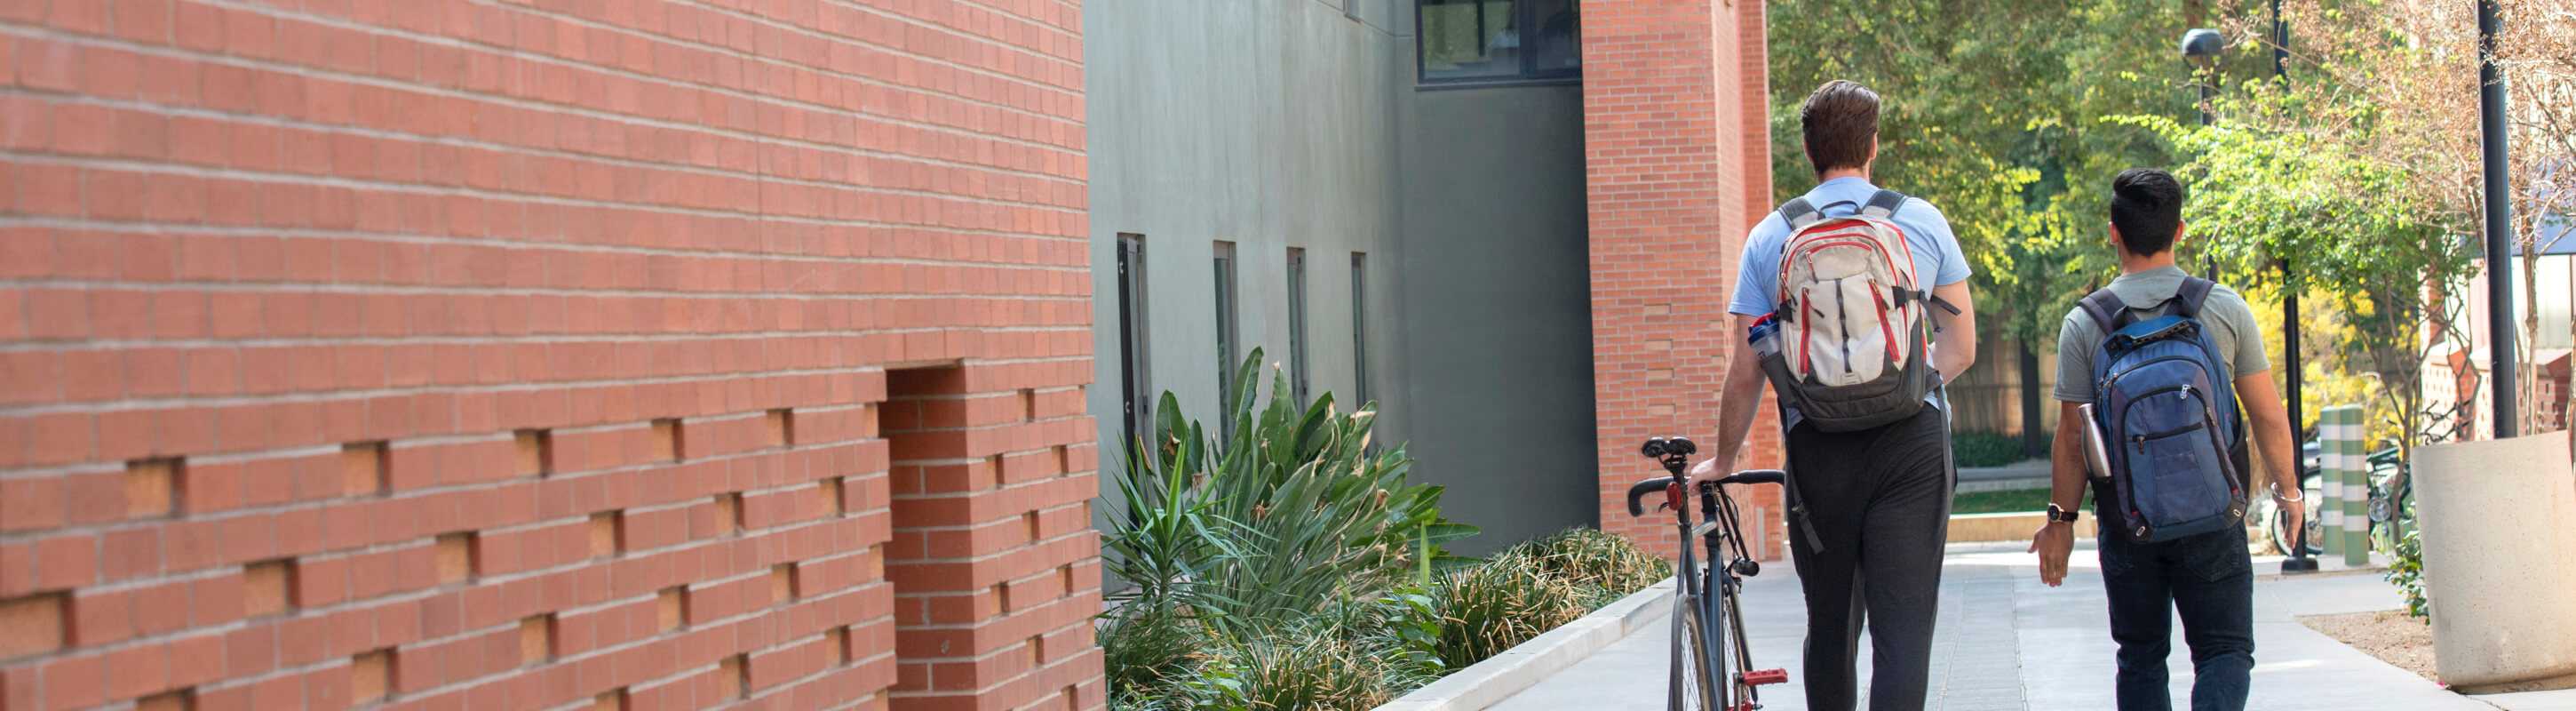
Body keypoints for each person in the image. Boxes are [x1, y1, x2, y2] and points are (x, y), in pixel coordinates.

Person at [1690, 79, 1977, 711]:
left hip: (1818, 449)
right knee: (1903, 635)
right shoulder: (1919, 222)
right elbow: (1961, 346)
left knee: (1829, 629)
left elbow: (1746, 367)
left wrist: (1726, 459)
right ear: (1873, 146)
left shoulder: (1772, 236)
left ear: (1807, 149)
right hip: (1911, 447)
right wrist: (1907, 387)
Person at [2028, 168, 2306, 711]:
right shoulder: (2223, 308)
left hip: (2128, 521)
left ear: (2114, 233)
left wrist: (2060, 523)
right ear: (2180, 231)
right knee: (2224, 650)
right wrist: (2290, 494)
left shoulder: (2085, 324)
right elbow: (2269, 417)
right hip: (2213, 513)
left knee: (2140, 656)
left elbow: (2070, 438)